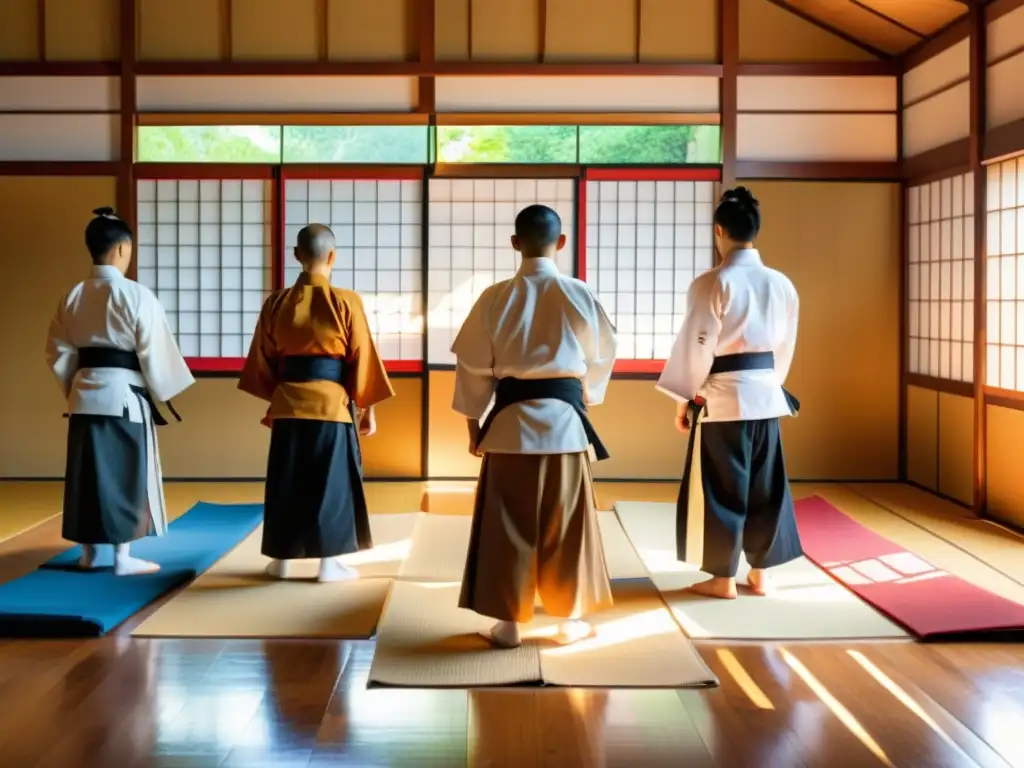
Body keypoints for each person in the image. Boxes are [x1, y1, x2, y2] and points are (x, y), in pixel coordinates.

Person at [453, 204, 617, 648]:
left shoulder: (494, 298)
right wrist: (585, 400)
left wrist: (475, 430)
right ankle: (568, 621)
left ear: (515, 243)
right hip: (565, 427)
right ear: (560, 243)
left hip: (508, 429)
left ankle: (507, 625)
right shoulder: (578, 293)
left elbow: (471, 368)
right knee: (565, 524)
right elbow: (602, 356)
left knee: (506, 526)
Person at [656, 187, 802, 600]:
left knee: (722, 487)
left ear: (718, 230)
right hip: (766, 397)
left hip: (722, 400)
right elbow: (784, 349)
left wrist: (685, 400)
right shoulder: (782, 284)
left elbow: (696, 347)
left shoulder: (712, 282)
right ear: (755, 231)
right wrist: (770, 388)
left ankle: (722, 578)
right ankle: (761, 573)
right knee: (766, 486)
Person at [239, 224, 394, 583]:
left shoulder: (276, 302)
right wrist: (368, 407)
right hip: (331, 406)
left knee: (286, 480)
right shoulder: (346, 301)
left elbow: (263, 360)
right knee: (330, 482)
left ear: (296, 255)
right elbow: (362, 356)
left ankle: (281, 561)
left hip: (288, 404)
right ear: (333, 256)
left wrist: (281, 394)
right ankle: (328, 564)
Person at [45, 207, 194, 575]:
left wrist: (75, 388)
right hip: (124, 399)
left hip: (85, 395)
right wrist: (161, 387)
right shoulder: (136, 295)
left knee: (88, 475)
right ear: (123, 249)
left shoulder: (73, 295)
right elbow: (153, 349)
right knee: (125, 472)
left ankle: (89, 553)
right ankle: (122, 557)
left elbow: (59, 352)